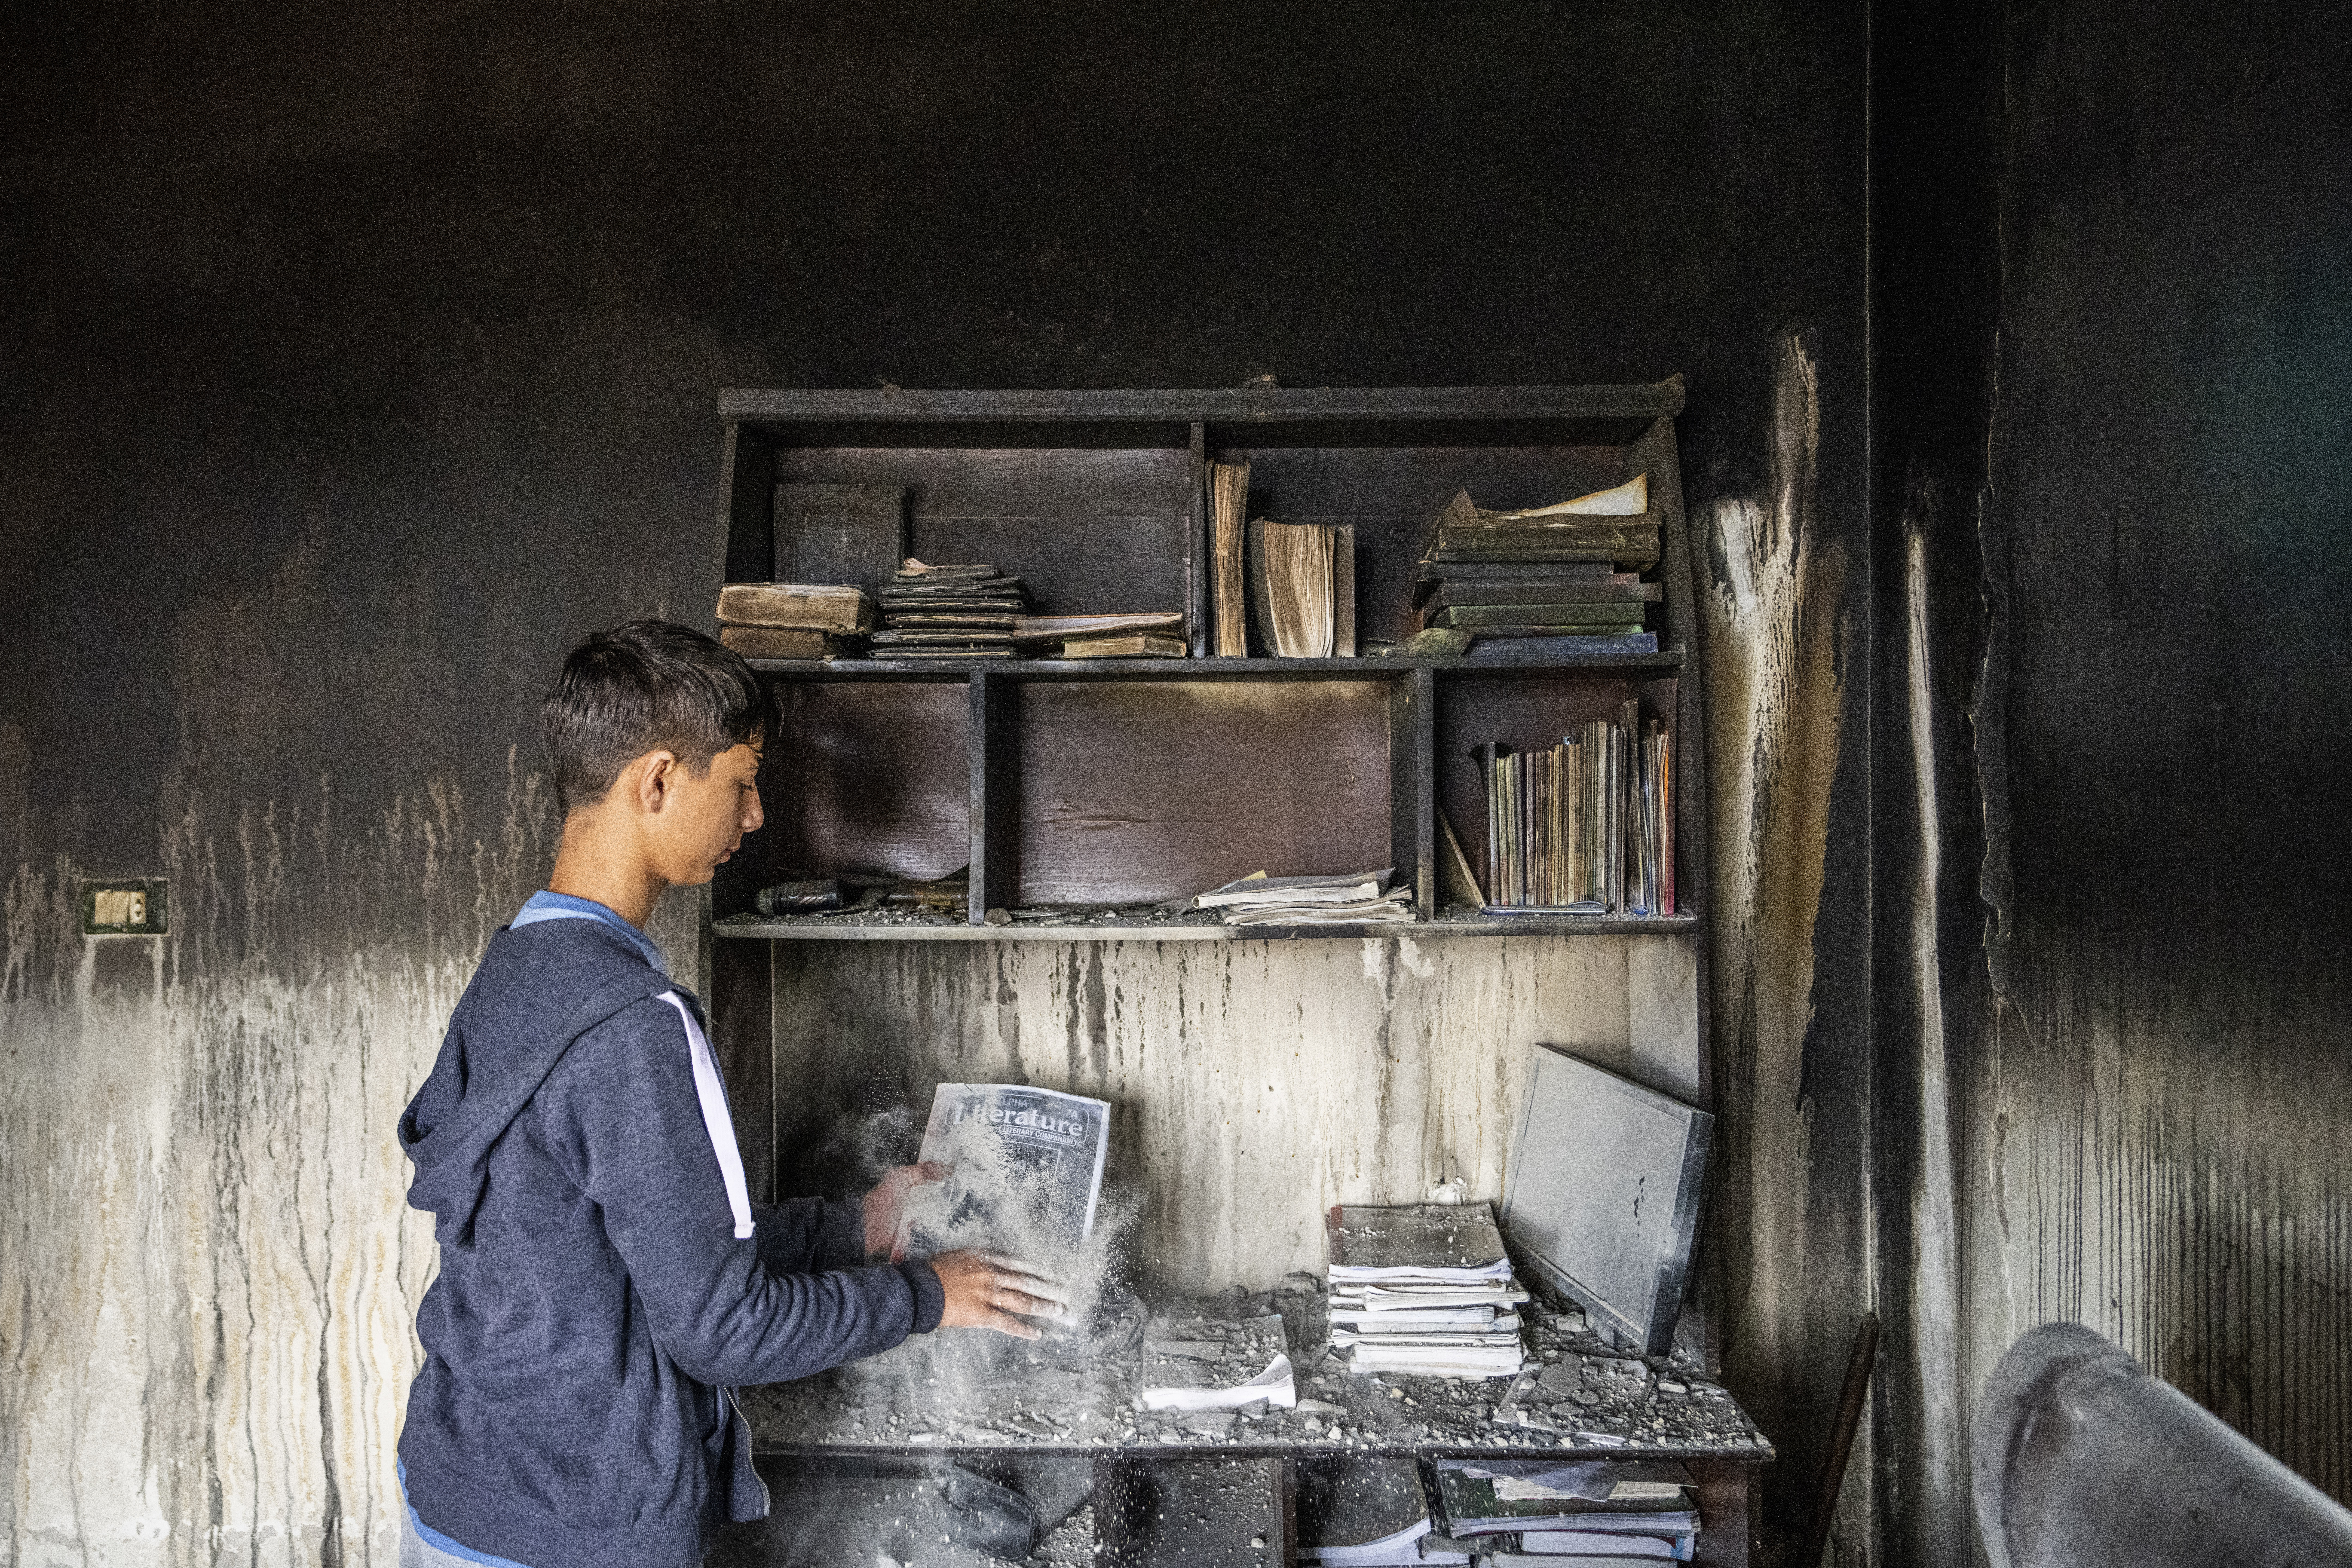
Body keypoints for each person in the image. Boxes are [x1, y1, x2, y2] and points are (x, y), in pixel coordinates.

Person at [395, 620, 1064, 1568]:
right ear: (659, 781)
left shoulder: (518, 971)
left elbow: (639, 1250)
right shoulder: (635, 1024)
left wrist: (850, 1229)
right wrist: (926, 1296)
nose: (754, 817)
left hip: (465, 1491)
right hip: (573, 1531)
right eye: (744, 782)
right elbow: (726, 1332)